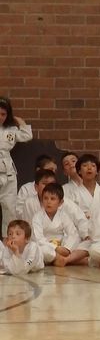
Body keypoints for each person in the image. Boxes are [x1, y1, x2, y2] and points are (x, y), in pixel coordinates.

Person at [31, 183, 90, 267]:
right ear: (42, 200)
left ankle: (65, 259)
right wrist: (55, 248)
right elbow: (38, 238)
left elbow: (73, 234)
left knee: (87, 244)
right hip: (47, 247)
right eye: (45, 198)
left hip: (63, 247)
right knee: (39, 249)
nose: (48, 202)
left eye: (52, 199)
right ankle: (69, 260)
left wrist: (67, 248)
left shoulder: (63, 216)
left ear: (60, 202)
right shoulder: (37, 217)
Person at [0, 96, 33, 236]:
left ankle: (9, 239)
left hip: (8, 173)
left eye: (3, 114)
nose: (0, 117)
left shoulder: (11, 130)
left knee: (10, 209)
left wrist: (18, 120)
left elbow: (27, 136)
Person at [64, 153, 100, 227]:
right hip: (82, 231)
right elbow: (70, 217)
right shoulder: (74, 194)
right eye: (85, 165)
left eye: (93, 165)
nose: (89, 168)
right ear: (79, 171)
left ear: (97, 171)